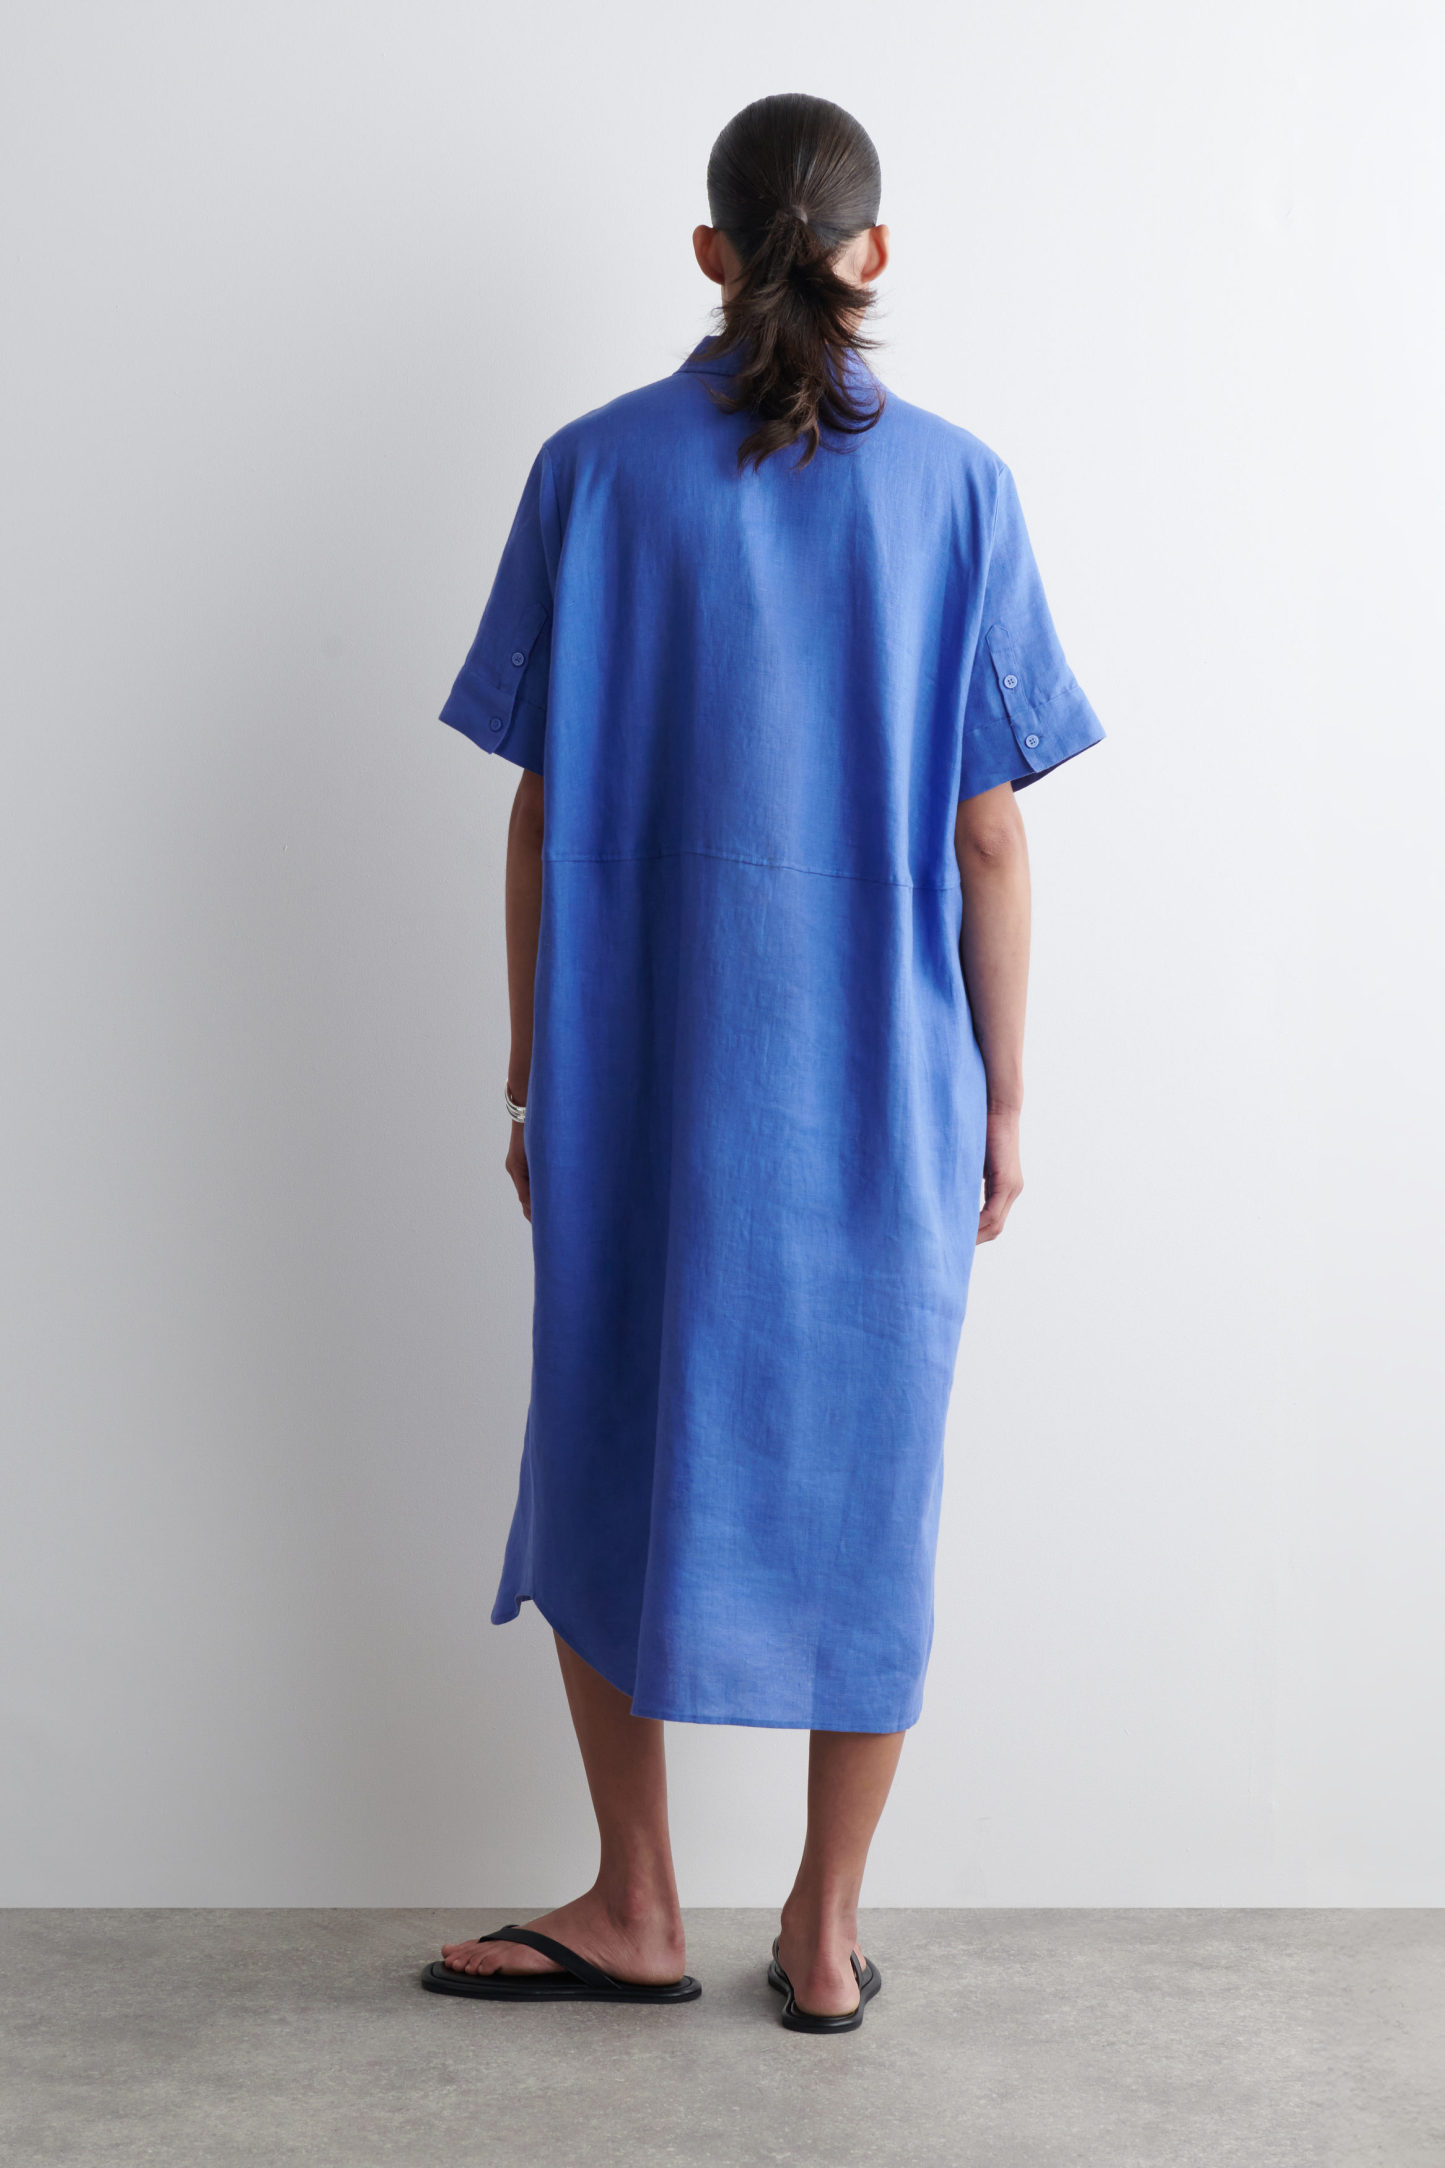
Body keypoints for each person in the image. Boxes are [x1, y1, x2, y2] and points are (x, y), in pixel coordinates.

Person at [420, 91, 1104, 2033]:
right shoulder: (960, 489)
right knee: (871, 1488)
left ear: (711, 255)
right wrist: (1006, 1096)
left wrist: (531, 1077)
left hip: (633, 1069)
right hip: (881, 1085)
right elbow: (989, 836)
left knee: (602, 1443)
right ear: (873, 256)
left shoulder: (590, 472)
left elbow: (539, 810)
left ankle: (638, 1902)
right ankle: (820, 1931)